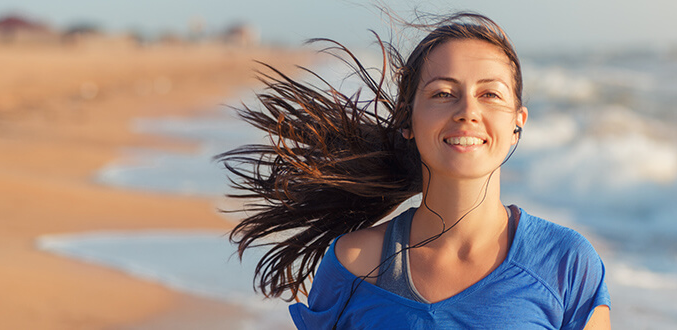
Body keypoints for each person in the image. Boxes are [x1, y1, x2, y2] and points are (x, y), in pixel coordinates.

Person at [220, 12, 611, 329]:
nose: (468, 111)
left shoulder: (565, 263)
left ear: (516, 124)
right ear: (408, 121)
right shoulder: (355, 264)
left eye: (489, 94)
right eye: (443, 93)